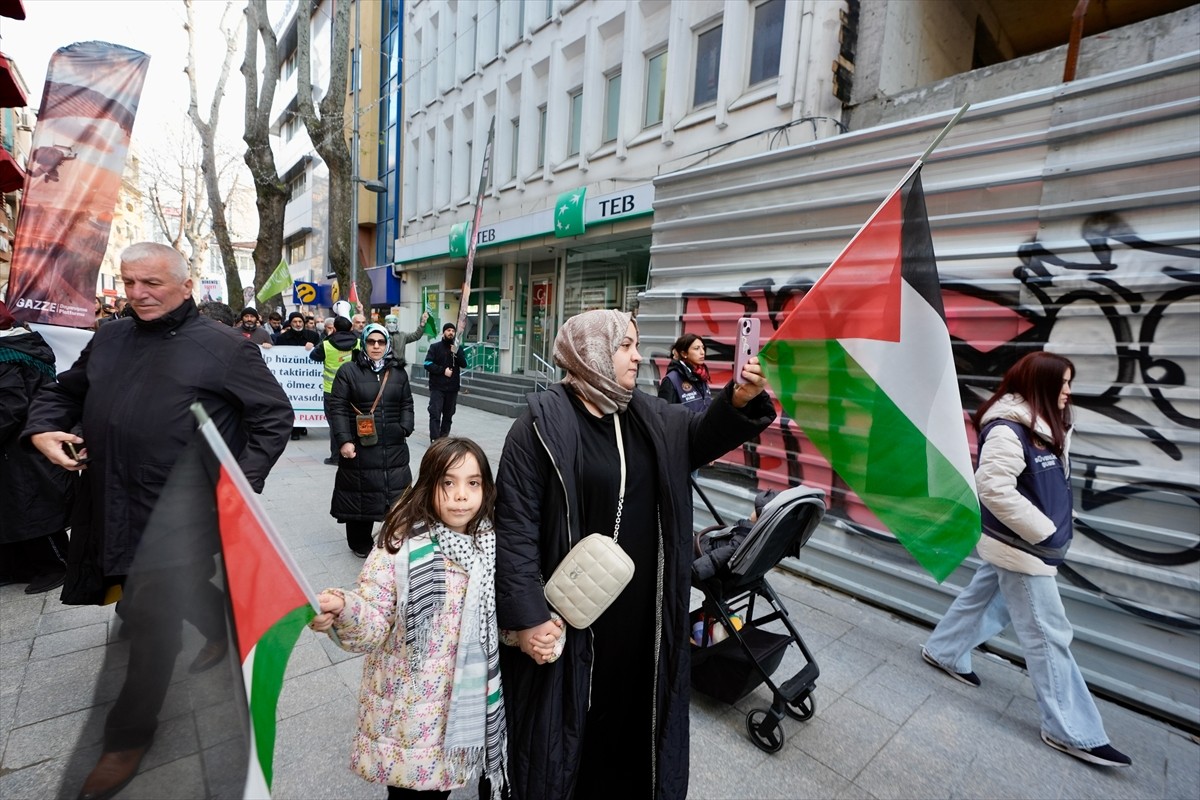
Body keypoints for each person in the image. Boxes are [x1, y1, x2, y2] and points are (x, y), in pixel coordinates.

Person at [23, 242, 294, 800]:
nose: (139, 294)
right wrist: (44, 427)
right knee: (163, 596)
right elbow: (62, 392)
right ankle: (219, 626)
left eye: (153, 284)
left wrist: (237, 488)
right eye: (130, 283)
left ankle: (125, 738)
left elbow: (273, 416)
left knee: (147, 621)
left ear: (185, 284)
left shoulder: (225, 347)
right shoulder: (112, 336)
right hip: (108, 501)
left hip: (181, 514)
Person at [493, 309, 776, 799]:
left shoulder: (648, 416)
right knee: (568, 727)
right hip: (573, 619)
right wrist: (528, 617)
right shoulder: (539, 425)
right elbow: (515, 528)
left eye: (635, 344)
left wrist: (738, 399)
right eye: (625, 345)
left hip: (645, 616)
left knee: (635, 720)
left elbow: (701, 435)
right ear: (592, 351)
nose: (638, 355)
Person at [921, 351, 1131, 768]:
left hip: (1024, 544)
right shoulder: (1008, 429)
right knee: (1048, 633)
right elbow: (993, 487)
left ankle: (944, 650)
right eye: (1064, 383)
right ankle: (1070, 729)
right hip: (1022, 547)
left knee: (985, 599)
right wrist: (1043, 530)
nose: (1069, 392)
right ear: (1041, 384)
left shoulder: (1044, 423)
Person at [310, 437, 507, 800]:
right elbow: (374, 614)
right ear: (428, 485)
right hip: (408, 715)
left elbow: (501, 622)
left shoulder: (490, 547)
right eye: (448, 482)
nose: (461, 495)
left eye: (473, 483)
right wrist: (343, 610)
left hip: (457, 712)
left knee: (439, 793)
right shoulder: (402, 545)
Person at [0, 300, 72, 594]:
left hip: (24, 449)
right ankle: (20, 567)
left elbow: (9, 406)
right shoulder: (19, 346)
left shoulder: (7, 356)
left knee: (33, 511)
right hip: (18, 448)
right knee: (16, 511)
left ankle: (55, 566)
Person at [327, 324, 415, 557]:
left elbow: (407, 402)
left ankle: (396, 537)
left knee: (397, 492)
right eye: (371, 341)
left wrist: (405, 427)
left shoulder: (398, 372)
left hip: (394, 444)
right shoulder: (348, 371)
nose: (376, 346)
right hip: (361, 444)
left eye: (381, 342)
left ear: (387, 344)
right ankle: (359, 542)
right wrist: (344, 441)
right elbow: (337, 408)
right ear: (363, 343)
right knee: (360, 493)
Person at [311, 316, 361, 464]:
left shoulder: (326, 344)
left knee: (334, 424)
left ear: (334, 328)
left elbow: (313, 356)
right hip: (353, 389)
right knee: (352, 421)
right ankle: (354, 450)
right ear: (351, 328)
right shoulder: (358, 343)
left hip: (330, 390)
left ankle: (335, 456)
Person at [424, 322, 468, 440]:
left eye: (453, 331)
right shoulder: (435, 347)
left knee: (448, 415)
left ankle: (443, 438)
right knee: (435, 413)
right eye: (448, 330)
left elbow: (464, 364)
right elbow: (427, 364)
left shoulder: (458, 348)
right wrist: (442, 370)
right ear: (444, 332)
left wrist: (457, 352)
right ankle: (434, 439)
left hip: (452, 388)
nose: (451, 333)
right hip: (437, 387)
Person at [657, 332, 712, 413]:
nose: (702, 352)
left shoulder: (702, 375)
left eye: (703, 348)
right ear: (684, 353)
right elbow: (664, 415)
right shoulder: (671, 380)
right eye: (697, 348)